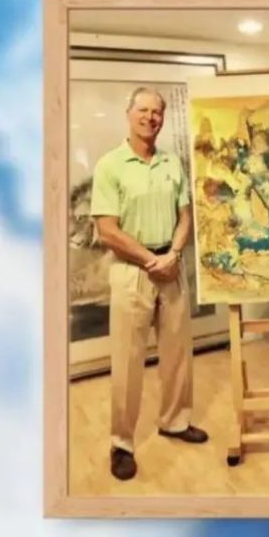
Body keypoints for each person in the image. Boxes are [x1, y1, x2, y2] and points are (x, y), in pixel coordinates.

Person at [91, 87, 209, 482]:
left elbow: (185, 215)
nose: (150, 117)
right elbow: (107, 230)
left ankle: (175, 421)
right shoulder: (110, 165)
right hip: (132, 271)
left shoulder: (173, 163)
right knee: (128, 361)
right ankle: (122, 444)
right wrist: (149, 260)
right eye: (142, 110)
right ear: (129, 114)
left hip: (171, 266)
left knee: (178, 353)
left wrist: (172, 254)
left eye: (157, 112)